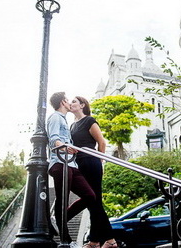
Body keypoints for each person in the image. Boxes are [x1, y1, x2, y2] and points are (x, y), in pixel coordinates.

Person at [47, 92, 97, 248]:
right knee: (62, 199)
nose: (69, 103)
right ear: (63, 102)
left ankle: (60, 218)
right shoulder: (55, 117)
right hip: (60, 163)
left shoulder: (64, 120)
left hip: (71, 165)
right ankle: (66, 241)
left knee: (90, 196)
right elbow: (54, 138)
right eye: (68, 100)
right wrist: (65, 147)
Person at [68, 96, 117, 248]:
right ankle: (97, 241)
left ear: (82, 105)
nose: (71, 103)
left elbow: (101, 142)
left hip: (91, 161)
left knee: (94, 201)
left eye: (74, 101)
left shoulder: (89, 120)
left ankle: (106, 240)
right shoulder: (72, 125)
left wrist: (100, 161)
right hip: (80, 163)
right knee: (92, 201)